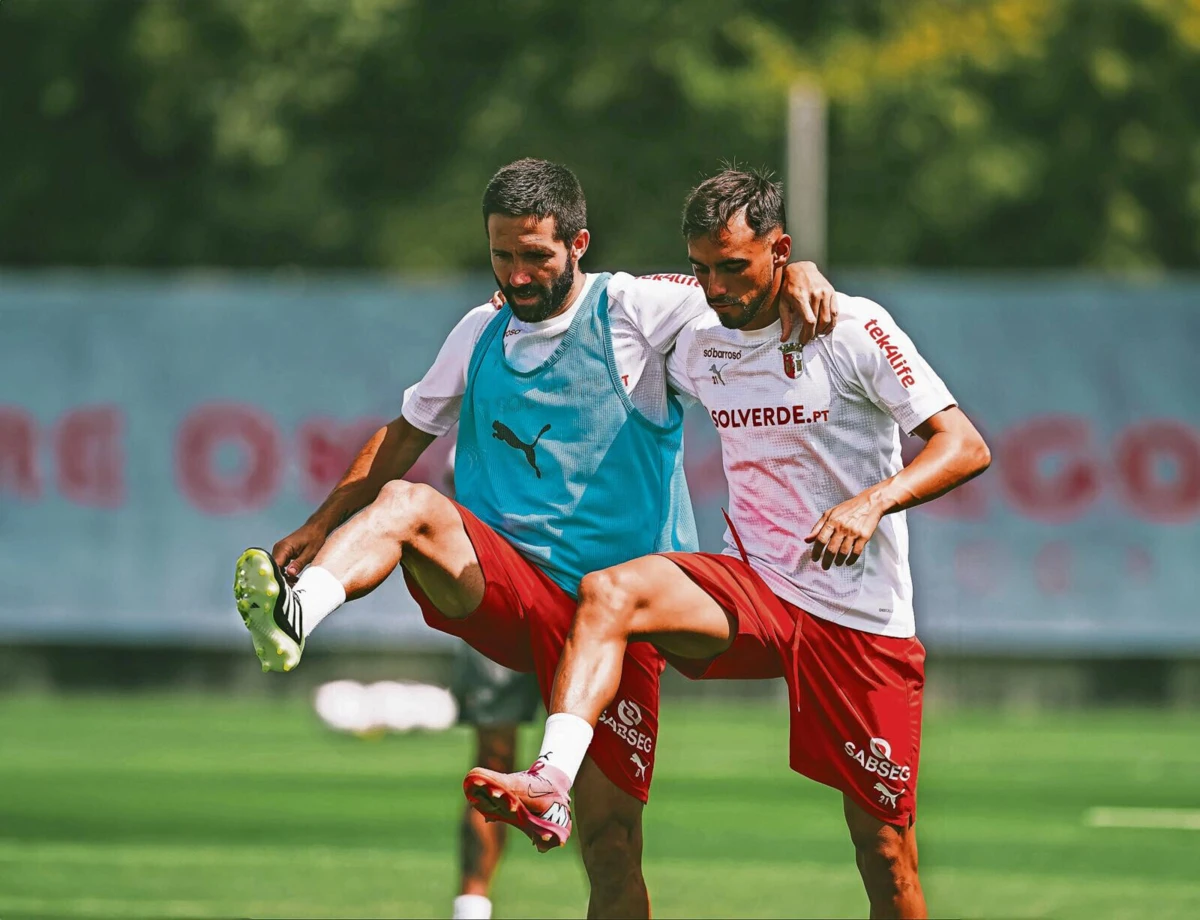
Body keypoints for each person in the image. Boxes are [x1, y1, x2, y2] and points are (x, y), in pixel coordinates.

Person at [232, 158, 836, 918]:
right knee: (409, 502)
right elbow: (401, 435)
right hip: (511, 587)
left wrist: (803, 271)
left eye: (535, 256)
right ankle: (297, 611)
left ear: (579, 243)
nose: (516, 276)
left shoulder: (638, 311)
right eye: (501, 256)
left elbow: (736, 286)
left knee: (612, 850)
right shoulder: (478, 332)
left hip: (616, 621)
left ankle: (545, 793)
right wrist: (319, 527)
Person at [468, 167, 991, 920]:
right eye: (703, 269)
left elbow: (965, 445)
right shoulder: (700, 340)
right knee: (610, 591)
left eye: (735, 267)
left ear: (779, 250)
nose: (716, 288)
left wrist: (871, 504)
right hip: (755, 588)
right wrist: (527, 303)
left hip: (858, 619)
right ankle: (551, 779)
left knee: (886, 859)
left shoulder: (850, 328)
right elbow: (606, 295)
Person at [450, 643, 541, 920]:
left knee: (594, 770)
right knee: (491, 771)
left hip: (585, 612)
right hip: (505, 609)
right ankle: (471, 911)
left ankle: (609, 906)